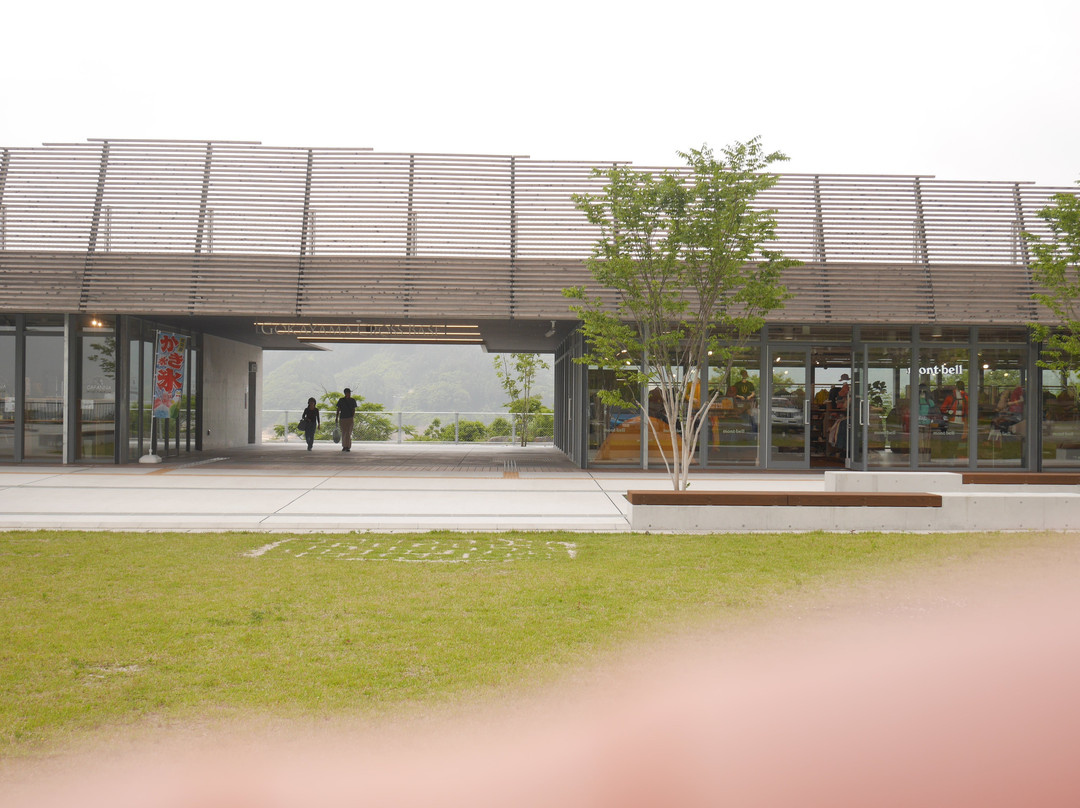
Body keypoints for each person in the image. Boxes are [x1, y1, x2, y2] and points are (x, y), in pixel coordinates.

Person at [335, 388, 358, 452]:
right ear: (345, 393)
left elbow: (354, 409)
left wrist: (352, 417)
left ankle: (347, 446)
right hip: (342, 418)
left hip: (349, 418)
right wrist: (336, 417)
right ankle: (344, 446)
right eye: (348, 393)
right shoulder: (341, 400)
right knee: (344, 433)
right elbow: (338, 409)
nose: (349, 394)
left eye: (349, 393)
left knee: (348, 432)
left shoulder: (353, 400)